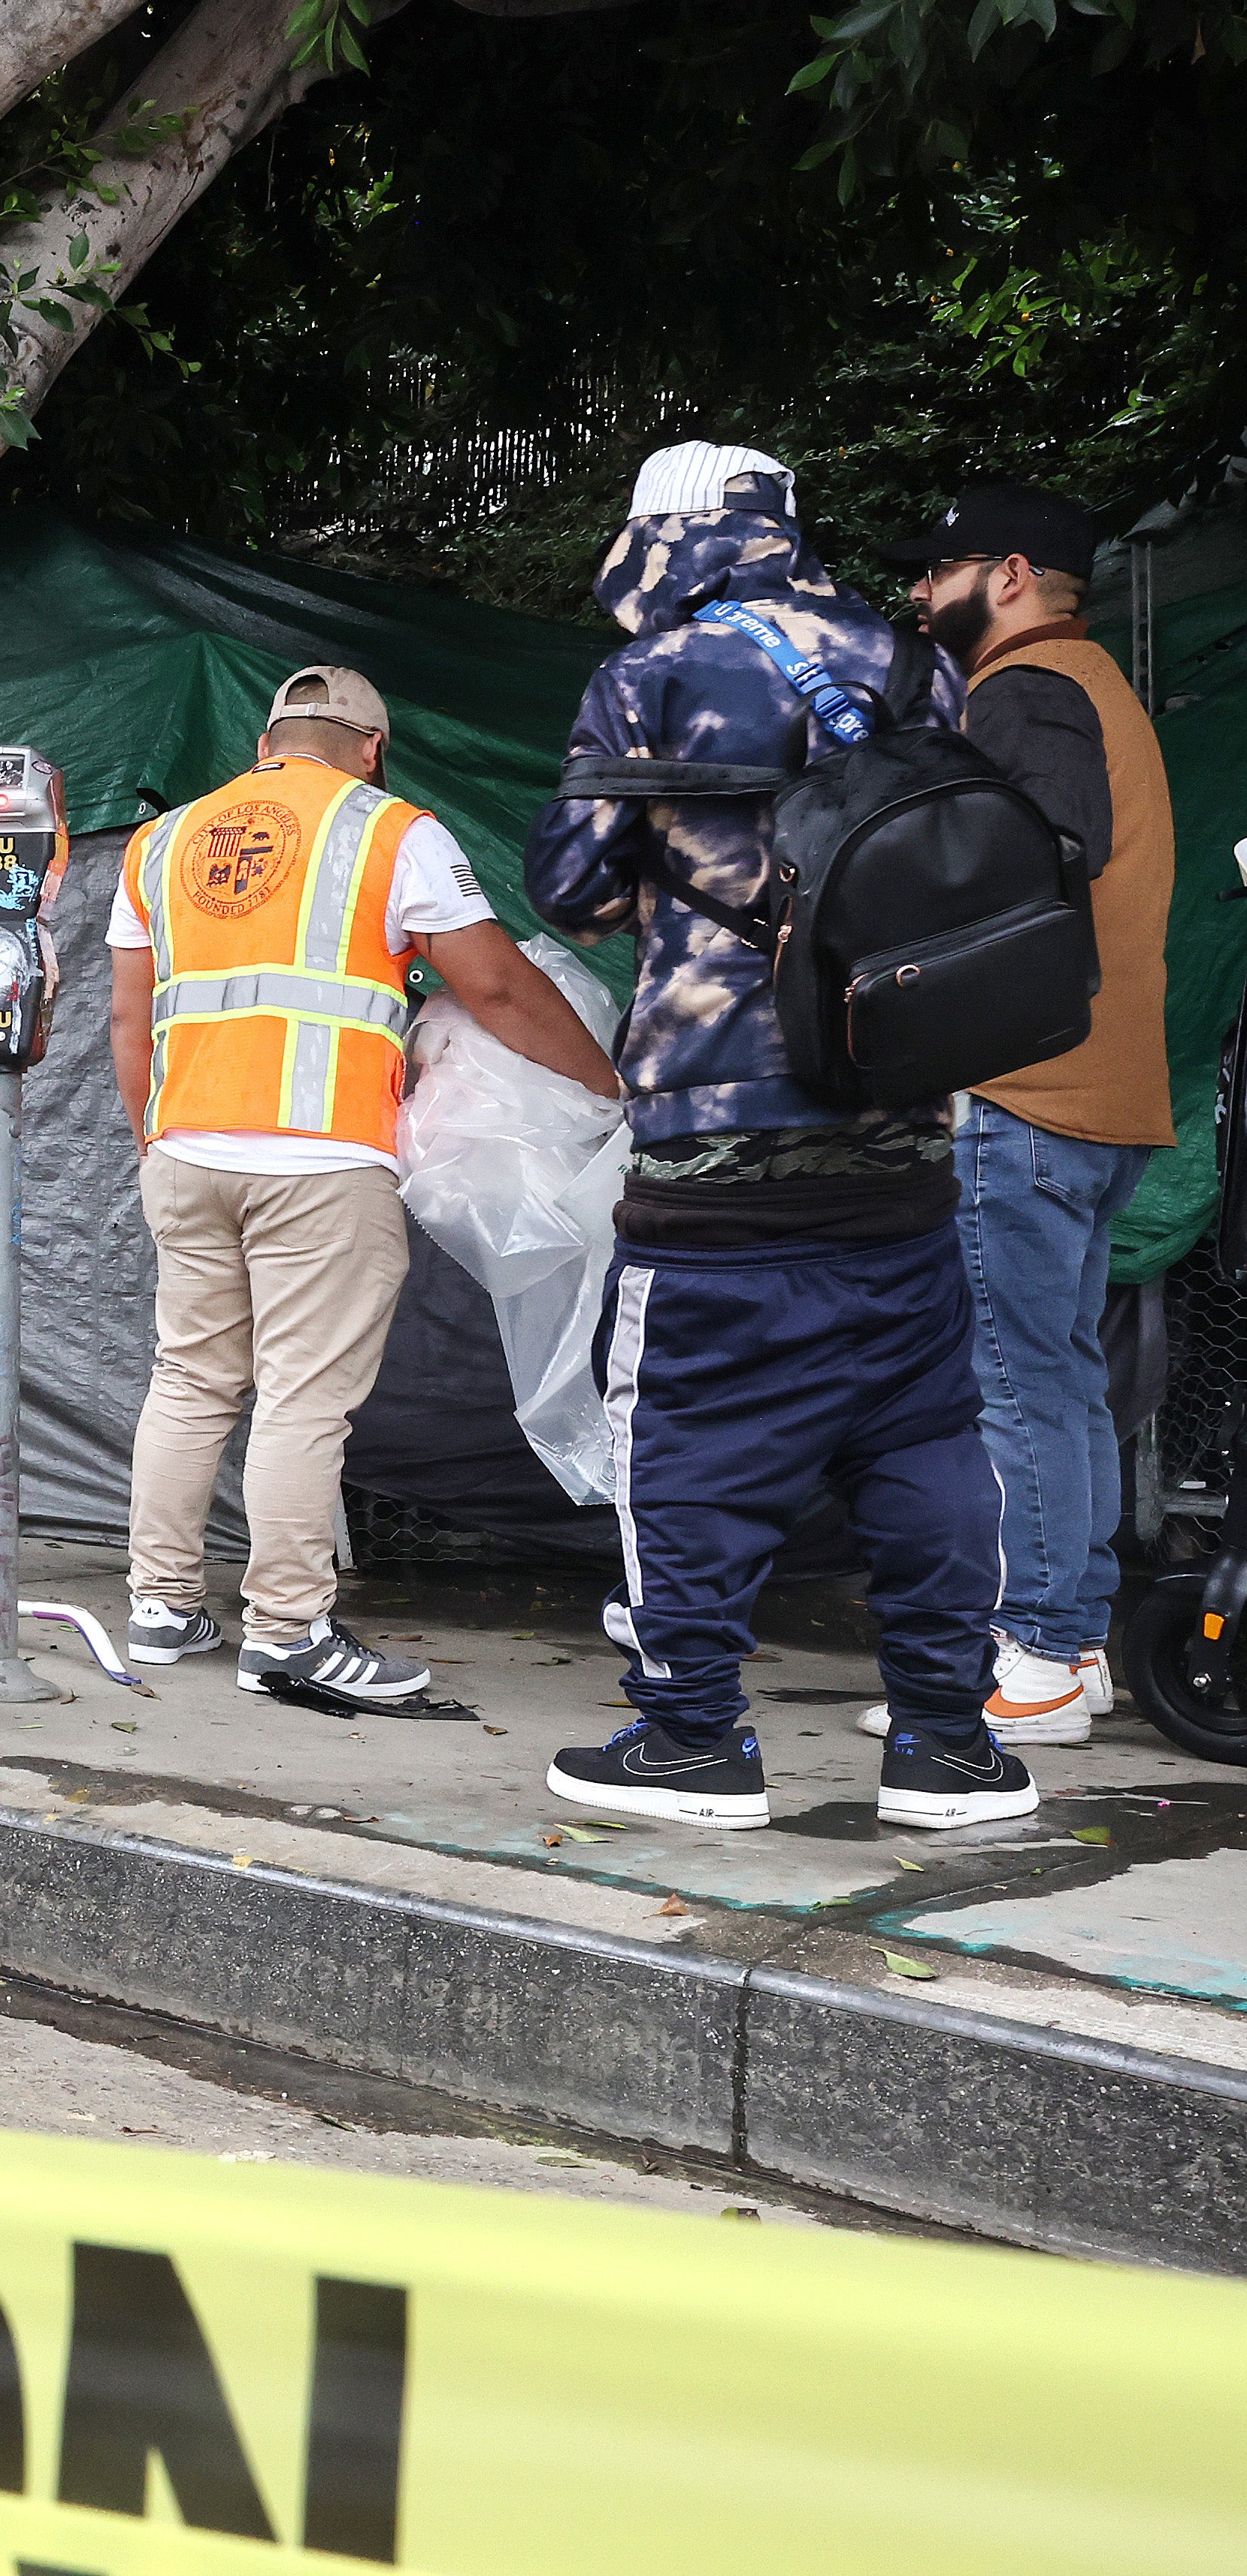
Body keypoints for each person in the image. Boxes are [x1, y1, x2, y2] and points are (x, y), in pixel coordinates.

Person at [527, 443, 1032, 1833]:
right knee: (924, 1441)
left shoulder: (656, 671)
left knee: (682, 1445)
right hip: (895, 1129)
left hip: (718, 1142)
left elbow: (567, 883)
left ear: (655, 536)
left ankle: (691, 1738)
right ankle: (945, 1747)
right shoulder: (905, 657)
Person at [111, 666, 628, 1702]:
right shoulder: (390, 829)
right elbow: (494, 984)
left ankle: (162, 1606)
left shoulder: (158, 843)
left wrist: (152, 1141)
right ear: (370, 746)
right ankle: (287, 1632)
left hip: (183, 1151)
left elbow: (131, 1016)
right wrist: (603, 1083)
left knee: (189, 1378)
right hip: (322, 1158)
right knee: (304, 1397)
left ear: (265, 743)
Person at [849, 480, 1170, 1751]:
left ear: (1012, 577)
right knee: (1059, 1382)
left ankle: (1031, 1656)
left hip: (1024, 1090)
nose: (919, 595)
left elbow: (1043, 845)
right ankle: (1071, 1643)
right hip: (1101, 1090)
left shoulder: (1021, 687)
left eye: (938, 570)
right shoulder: (1092, 681)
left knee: (1015, 1384)